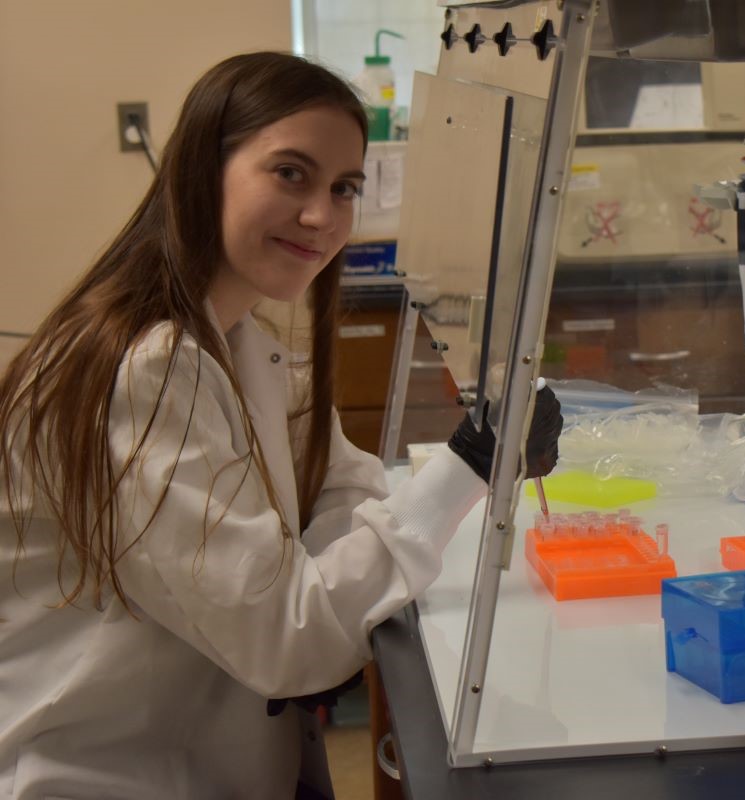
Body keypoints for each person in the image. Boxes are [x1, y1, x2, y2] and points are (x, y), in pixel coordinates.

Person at [0, 52, 562, 799]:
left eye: (344, 188)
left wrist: (322, 564)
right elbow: (289, 640)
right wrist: (472, 462)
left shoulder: (240, 342)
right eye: (290, 173)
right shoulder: (144, 369)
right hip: (118, 777)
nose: (321, 216)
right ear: (202, 169)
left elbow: (339, 483)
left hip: (222, 760)